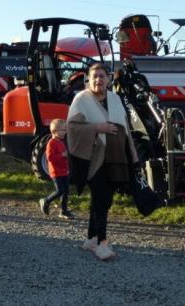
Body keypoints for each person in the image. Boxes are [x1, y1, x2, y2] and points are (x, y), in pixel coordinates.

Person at [67, 63, 139, 261]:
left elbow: (125, 128)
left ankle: (91, 239)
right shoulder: (81, 100)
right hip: (94, 159)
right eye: (95, 76)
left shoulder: (115, 99)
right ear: (88, 80)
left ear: (108, 79)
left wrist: (132, 153)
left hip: (115, 158)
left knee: (102, 200)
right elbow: (72, 127)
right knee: (102, 199)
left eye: (102, 76)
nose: (99, 80)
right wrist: (97, 127)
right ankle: (102, 243)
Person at [38, 118, 74, 219]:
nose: (64, 132)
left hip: (64, 171)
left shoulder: (61, 142)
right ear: (54, 132)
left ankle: (63, 211)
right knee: (60, 191)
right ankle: (45, 200)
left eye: (65, 130)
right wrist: (62, 155)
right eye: (62, 130)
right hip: (56, 172)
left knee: (66, 191)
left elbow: (65, 157)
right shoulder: (51, 143)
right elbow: (50, 158)